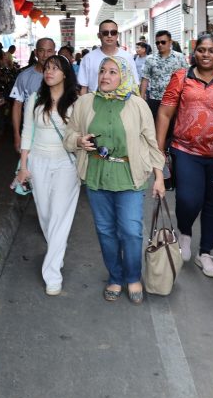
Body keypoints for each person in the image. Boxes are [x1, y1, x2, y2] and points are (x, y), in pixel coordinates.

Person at [64, 56, 165, 304]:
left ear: (124, 76)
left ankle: (132, 276)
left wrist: (159, 177)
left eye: (112, 72)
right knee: (106, 231)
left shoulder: (138, 105)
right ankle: (115, 277)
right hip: (97, 175)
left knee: (131, 231)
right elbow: (69, 135)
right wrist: (78, 141)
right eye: (102, 71)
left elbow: (152, 144)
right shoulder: (85, 103)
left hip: (129, 176)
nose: (105, 76)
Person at [153, 33, 213, 278]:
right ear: (195, 53)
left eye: (212, 50)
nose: (206, 54)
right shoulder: (181, 78)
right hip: (186, 150)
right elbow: (164, 114)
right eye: (201, 50)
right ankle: (185, 232)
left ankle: (206, 253)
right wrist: (159, 150)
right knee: (188, 200)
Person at [14, 55, 80, 295]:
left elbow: (81, 134)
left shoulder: (76, 101)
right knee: (46, 215)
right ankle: (56, 251)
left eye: (55, 68)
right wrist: (23, 165)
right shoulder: (35, 99)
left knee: (60, 215)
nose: (49, 72)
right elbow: (27, 133)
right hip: (38, 162)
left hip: (66, 164)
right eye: (47, 68)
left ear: (65, 74)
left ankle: (52, 273)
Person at [10, 38, 56, 152]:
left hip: (55, 135)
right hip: (30, 134)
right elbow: (17, 106)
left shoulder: (62, 76)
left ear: (55, 53)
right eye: (41, 51)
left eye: (49, 51)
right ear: (35, 52)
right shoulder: (24, 76)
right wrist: (17, 135)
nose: (45, 55)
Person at [77, 20, 138, 94]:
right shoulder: (88, 58)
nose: (109, 36)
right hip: (95, 103)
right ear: (99, 35)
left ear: (117, 35)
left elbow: (134, 84)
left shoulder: (127, 57)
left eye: (113, 32)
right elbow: (83, 87)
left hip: (122, 103)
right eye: (105, 33)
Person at [140, 30, 187, 116]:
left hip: (174, 99)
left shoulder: (179, 57)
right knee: (156, 127)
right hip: (155, 99)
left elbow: (186, 78)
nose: (160, 45)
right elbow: (145, 78)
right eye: (157, 43)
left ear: (170, 42)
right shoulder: (150, 59)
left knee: (174, 127)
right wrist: (142, 97)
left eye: (163, 42)